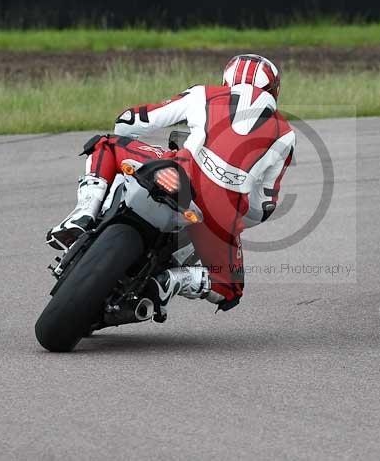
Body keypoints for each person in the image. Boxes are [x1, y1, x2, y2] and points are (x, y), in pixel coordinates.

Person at [46, 54, 295, 321]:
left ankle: (83, 214)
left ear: (226, 81)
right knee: (229, 288)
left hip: (178, 173)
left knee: (106, 143)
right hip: (218, 213)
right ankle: (174, 280)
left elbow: (132, 120)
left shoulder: (204, 95)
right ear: (275, 90)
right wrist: (232, 221)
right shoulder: (286, 135)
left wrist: (135, 137)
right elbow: (263, 206)